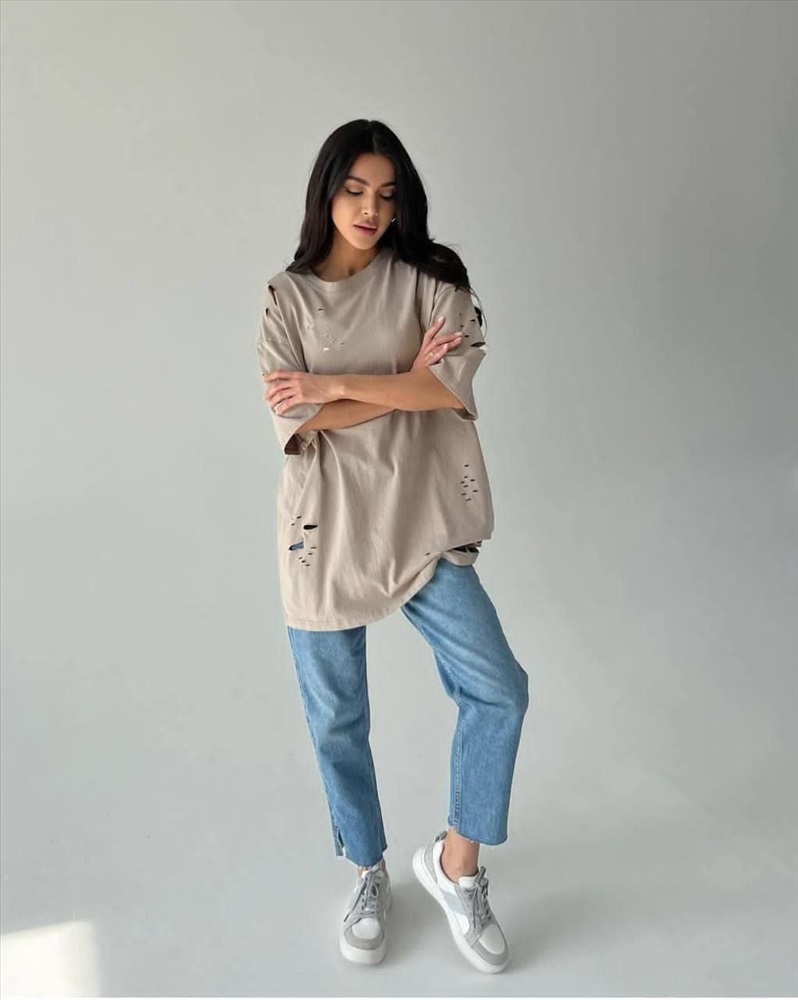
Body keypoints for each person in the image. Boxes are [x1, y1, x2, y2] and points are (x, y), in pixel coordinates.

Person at [255, 119, 530, 974]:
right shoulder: (286, 298)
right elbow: (295, 416)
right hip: (324, 527)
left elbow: (447, 386)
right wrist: (403, 380)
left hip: (420, 520)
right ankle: (368, 871)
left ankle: (456, 866)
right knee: (337, 717)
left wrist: (337, 382)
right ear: (326, 192)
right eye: (354, 190)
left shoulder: (433, 280)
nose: (370, 208)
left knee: (499, 690)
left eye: (386, 193)